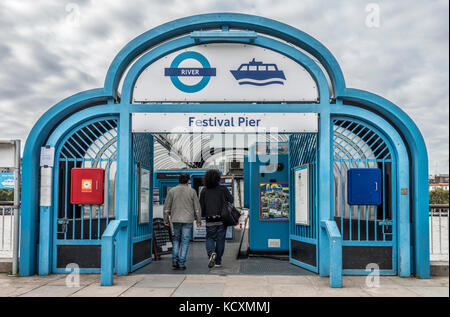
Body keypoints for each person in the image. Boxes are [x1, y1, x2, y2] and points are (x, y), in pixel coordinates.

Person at [163, 173, 202, 270]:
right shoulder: (192, 191)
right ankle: (181, 264)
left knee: (176, 239)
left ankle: (174, 261)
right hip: (188, 219)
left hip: (175, 219)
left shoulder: (172, 191)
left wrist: (166, 219)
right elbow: (197, 207)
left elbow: (166, 207)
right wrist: (198, 219)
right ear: (188, 181)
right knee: (185, 241)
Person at [199, 169, 233, 268]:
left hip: (210, 219)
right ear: (218, 178)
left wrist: (202, 216)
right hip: (222, 219)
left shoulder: (204, 190)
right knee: (220, 239)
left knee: (209, 237)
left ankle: (211, 253)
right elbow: (231, 200)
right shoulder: (223, 189)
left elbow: (201, 205)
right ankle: (218, 262)